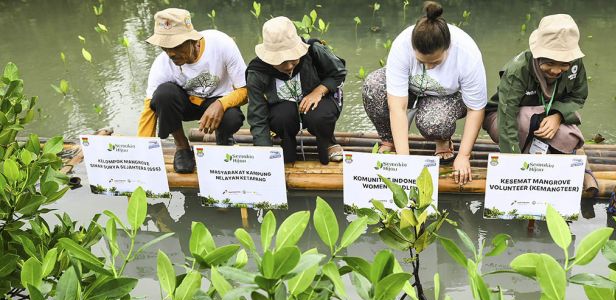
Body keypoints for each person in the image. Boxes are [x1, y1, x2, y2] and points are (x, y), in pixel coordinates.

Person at [361, 1, 487, 185]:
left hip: (447, 96)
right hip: (411, 88)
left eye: (435, 62)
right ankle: (389, 141)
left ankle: (442, 140)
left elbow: (476, 109)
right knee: (373, 87)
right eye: (422, 61)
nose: (428, 67)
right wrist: (404, 162)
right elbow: (397, 107)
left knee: (434, 123)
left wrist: (464, 156)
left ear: (447, 48)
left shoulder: (467, 54)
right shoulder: (402, 45)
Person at [138, 8, 248, 174]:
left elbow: (246, 90)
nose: (170, 53)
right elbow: (149, 110)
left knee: (232, 117)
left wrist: (221, 104)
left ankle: (224, 140)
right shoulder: (162, 64)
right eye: (164, 47)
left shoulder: (221, 44)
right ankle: (182, 147)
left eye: (175, 45)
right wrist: (141, 155)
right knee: (163, 95)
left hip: (217, 101)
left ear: (193, 40)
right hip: (186, 104)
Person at [246, 16, 347, 165]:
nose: (288, 66)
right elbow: (257, 117)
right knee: (282, 116)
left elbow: (339, 73)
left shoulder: (314, 50)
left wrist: (318, 91)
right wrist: (265, 154)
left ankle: (328, 141)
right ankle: (287, 145)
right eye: (281, 61)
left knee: (319, 116)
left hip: (319, 101)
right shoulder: (257, 72)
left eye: (293, 58)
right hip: (284, 110)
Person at [484, 14, 588, 155]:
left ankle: (536, 147)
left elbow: (578, 96)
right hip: (505, 116)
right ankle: (522, 149)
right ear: (538, 55)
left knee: (569, 137)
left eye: (564, 64)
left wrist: (558, 116)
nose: (556, 71)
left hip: (548, 113)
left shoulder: (575, 63)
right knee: (523, 122)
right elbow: (507, 116)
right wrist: (513, 159)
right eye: (549, 63)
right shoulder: (517, 71)